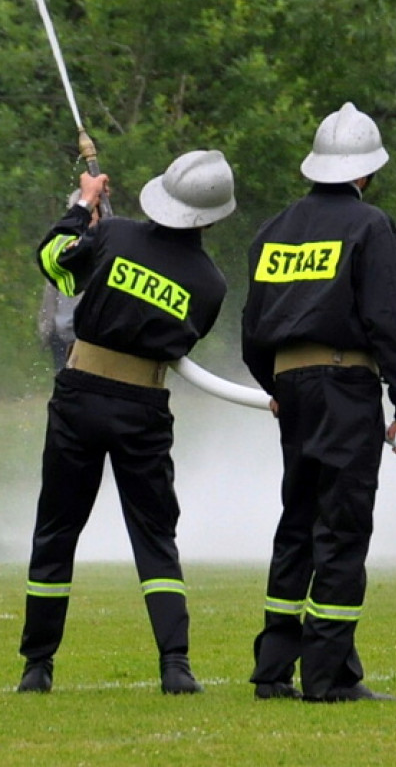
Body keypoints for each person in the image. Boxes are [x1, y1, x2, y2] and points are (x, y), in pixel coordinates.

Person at [18, 150, 236, 695]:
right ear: (210, 217)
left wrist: (84, 209)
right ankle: (175, 666)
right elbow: (178, 334)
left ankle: (37, 668)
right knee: (155, 537)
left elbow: (53, 264)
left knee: (56, 531)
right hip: (143, 407)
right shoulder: (211, 284)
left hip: (81, 396)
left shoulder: (115, 236)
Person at [242, 102, 396, 702]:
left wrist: (276, 387)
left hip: (292, 392)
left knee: (296, 523)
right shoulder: (369, 226)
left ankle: (273, 671)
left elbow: (252, 328)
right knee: (342, 528)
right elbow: (390, 320)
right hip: (346, 389)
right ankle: (327, 679)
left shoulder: (273, 230)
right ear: (366, 173)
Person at [36, 192, 91, 371]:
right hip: (60, 334)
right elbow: (51, 290)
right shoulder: (64, 242)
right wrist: (46, 328)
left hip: (85, 336)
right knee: (63, 380)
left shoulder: (102, 243)